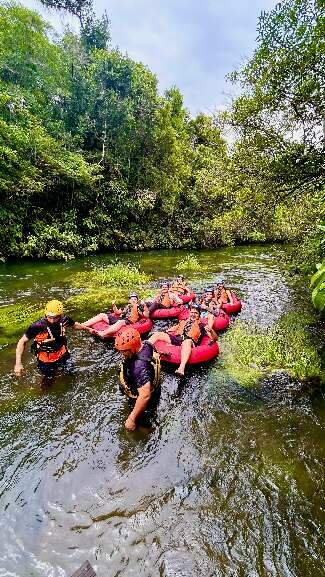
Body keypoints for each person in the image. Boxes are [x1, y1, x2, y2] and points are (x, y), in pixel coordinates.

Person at [14, 300, 92, 387]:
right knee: (48, 382)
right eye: (49, 317)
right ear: (46, 314)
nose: (52, 320)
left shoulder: (64, 320)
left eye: (55, 317)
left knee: (72, 373)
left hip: (63, 354)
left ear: (61, 315)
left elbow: (75, 325)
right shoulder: (38, 326)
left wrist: (88, 329)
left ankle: (62, 377)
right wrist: (18, 363)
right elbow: (22, 341)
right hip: (46, 360)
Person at [148, 304, 217, 376]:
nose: (193, 314)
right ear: (189, 313)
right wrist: (166, 332)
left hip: (189, 342)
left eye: (196, 313)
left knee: (186, 341)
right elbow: (175, 327)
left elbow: (215, 338)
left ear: (199, 315)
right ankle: (144, 349)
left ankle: (181, 367)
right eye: (192, 312)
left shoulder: (202, 326)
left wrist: (211, 331)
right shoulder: (184, 321)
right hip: (177, 339)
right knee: (158, 334)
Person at [115, 327, 161, 431]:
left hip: (145, 400)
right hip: (155, 390)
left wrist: (131, 418)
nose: (121, 353)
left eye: (123, 351)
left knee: (143, 424)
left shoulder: (138, 368)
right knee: (152, 412)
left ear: (132, 348)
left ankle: (147, 435)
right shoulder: (146, 344)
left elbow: (144, 396)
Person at [81, 293, 149, 338]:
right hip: (120, 319)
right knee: (102, 315)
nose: (133, 300)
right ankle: (83, 325)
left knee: (120, 322)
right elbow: (117, 312)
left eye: (135, 299)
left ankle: (103, 333)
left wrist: (145, 306)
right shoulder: (127, 306)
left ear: (137, 301)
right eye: (132, 299)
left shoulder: (138, 307)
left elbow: (146, 315)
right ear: (129, 301)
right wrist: (114, 305)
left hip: (128, 321)